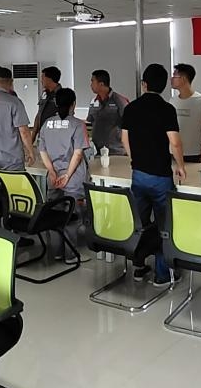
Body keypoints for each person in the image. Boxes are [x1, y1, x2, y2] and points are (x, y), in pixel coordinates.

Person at [121, 64, 186, 286]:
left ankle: (138, 267)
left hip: (138, 174)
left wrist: (135, 158)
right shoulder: (167, 109)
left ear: (144, 84)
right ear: (164, 85)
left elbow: (124, 139)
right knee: (164, 226)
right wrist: (180, 165)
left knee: (139, 223)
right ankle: (162, 274)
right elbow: (175, 142)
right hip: (161, 176)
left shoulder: (131, 108)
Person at [37, 87, 90, 260]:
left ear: (56, 103)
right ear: (73, 104)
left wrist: (52, 172)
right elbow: (78, 153)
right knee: (72, 216)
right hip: (72, 179)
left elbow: (42, 151)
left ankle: (57, 252)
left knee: (55, 213)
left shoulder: (47, 124)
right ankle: (71, 255)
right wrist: (67, 175)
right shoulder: (78, 125)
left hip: (53, 179)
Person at [170, 63, 201, 163]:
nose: (171, 79)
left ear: (184, 79)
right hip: (174, 152)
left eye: (174, 76)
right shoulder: (172, 101)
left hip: (194, 153)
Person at [87, 70, 128, 156]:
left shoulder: (120, 101)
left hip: (116, 151)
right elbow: (90, 120)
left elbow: (129, 123)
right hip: (98, 151)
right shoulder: (94, 102)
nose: (91, 85)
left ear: (101, 84)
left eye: (92, 81)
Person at [31, 66, 63, 142]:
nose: (41, 81)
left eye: (43, 78)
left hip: (56, 137)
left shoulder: (62, 95)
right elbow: (39, 114)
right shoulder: (44, 94)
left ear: (49, 79)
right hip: (42, 135)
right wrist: (33, 136)